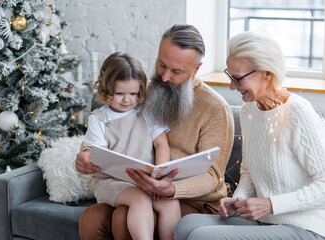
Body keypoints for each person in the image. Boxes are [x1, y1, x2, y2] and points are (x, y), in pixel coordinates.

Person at [174, 31, 325, 240]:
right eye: (229, 75)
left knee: (202, 236)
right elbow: (248, 171)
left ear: (267, 73)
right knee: (186, 225)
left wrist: (270, 205)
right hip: (267, 220)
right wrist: (239, 200)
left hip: (307, 226)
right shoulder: (249, 110)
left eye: (237, 78)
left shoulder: (297, 113)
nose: (232, 86)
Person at [76, 24, 234, 240]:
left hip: (193, 199)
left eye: (176, 71)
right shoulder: (139, 91)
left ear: (196, 70)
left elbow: (213, 176)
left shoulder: (215, 109)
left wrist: (171, 190)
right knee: (91, 218)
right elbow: (103, 132)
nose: (165, 77)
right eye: (162, 65)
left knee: (123, 218)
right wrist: (85, 155)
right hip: (136, 184)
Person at [82, 52, 181, 240]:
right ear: (106, 90)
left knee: (170, 203)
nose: (127, 100)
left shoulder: (147, 112)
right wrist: (138, 182)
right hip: (111, 181)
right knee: (140, 199)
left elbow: (161, 144)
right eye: (119, 94)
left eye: (133, 94)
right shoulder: (98, 119)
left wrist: (158, 176)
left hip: (147, 180)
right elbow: (102, 159)